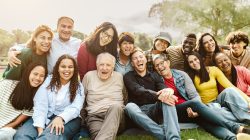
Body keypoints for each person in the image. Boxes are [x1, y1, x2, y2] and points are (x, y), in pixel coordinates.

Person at [153, 54, 250, 140]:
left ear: (168, 63)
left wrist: (195, 111)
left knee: (206, 121)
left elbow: (193, 95)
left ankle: (232, 138)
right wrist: (195, 106)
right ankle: (236, 128)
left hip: (190, 109)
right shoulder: (156, 79)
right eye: (157, 65)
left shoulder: (181, 75)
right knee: (195, 104)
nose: (160, 67)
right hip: (173, 110)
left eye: (162, 63)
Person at [14, 54, 84, 140]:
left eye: (70, 67)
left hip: (69, 119)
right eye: (63, 66)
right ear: (58, 68)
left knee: (49, 138)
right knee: (21, 136)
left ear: (74, 69)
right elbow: (40, 105)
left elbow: (75, 108)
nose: (67, 70)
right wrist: (40, 129)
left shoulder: (78, 86)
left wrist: (60, 118)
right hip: (45, 115)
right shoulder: (48, 81)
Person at [124, 50, 181, 140]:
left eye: (141, 57)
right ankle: (164, 135)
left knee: (167, 98)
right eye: (135, 58)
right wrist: (158, 96)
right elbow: (138, 90)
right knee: (129, 107)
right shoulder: (128, 76)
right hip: (138, 112)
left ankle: (174, 138)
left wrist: (168, 91)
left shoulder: (155, 75)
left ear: (146, 59)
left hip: (154, 110)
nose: (139, 60)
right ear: (132, 63)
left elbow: (163, 88)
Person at [184, 52, 250, 123]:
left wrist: (248, 100)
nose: (194, 63)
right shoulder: (189, 77)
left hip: (218, 100)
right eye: (191, 62)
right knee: (218, 111)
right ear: (188, 65)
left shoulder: (213, 70)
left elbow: (230, 86)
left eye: (195, 59)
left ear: (199, 59)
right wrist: (199, 110)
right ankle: (244, 118)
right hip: (206, 106)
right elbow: (192, 96)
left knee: (230, 90)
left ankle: (246, 116)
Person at [8, 16, 81, 73]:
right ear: (57, 27)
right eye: (63, 26)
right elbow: (26, 45)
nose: (66, 30)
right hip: (49, 80)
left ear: (73, 28)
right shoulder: (50, 38)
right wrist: (12, 51)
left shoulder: (78, 43)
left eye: (69, 27)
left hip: (68, 80)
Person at [82, 52, 126, 139]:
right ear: (97, 65)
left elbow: (125, 96)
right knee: (99, 136)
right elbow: (81, 99)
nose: (104, 68)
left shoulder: (119, 77)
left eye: (108, 65)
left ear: (113, 67)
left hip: (116, 116)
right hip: (95, 117)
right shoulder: (89, 76)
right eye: (101, 64)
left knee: (116, 107)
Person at [0, 62, 47, 140]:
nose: (38, 78)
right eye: (35, 74)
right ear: (28, 73)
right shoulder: (7, 84)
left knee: (5, 134)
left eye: (42, 76)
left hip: (8, 129)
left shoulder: (36, 98)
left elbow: (15, 123)